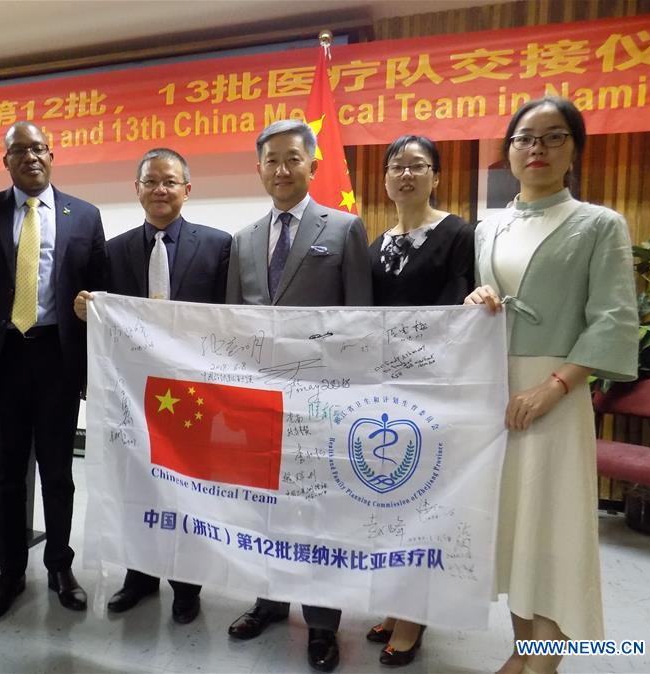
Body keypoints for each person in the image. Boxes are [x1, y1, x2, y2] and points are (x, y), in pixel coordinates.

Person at [464, 97, 638, 674]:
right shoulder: (490, 228)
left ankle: (549, 659)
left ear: (574, 149)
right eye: (524, 138)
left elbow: (613, 318)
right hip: (496, 392)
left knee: (554, 526)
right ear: (508, 151)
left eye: (553, 137)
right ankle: (524, 648)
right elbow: (485, 307)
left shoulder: (598, 223)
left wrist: (554, 387)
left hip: (554, 395)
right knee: (513, 528)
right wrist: (477, 299)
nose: (536, 148)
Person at [225, 119, 372, 673]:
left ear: (312, 165)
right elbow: (233, 326)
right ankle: (267, 599)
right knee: (266, 507)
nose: (281, 170)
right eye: (271, 160)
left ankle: (322, 623)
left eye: (292, 159)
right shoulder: (242, 239)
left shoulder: (344, 228)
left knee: (318, 511)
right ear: (259, 168)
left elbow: (360, 318)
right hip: (259, 403)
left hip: (321, 401)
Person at [0, 121, 106, 622]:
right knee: (6, 477)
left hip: (57, 359)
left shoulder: (84, 215)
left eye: (39, 149)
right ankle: (11, 572)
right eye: (20, 151)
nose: (31, 157)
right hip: (2, 362)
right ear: (6, 161)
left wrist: (91, 366)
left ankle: (60, 566)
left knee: (58, 473)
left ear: (52, 155)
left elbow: (100, 298)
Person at [74, 147, 231, 625]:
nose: (159, 190)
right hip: (135, 395)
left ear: (187, 189)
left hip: (194, 395)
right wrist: (87, 308)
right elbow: (104, 321)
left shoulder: (219, 245)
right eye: (150, 182)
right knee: (136, 485)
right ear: (136, 189)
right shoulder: (115, 249)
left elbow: (229, 321)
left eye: (169, 181)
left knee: (187, 490)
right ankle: (139, 578)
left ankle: (187, 586)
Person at [365, 135, 474, 665]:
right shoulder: (375, 242)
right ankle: (393, 601)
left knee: (424, 504)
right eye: (396, 167)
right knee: (388, 504)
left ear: (436, 176)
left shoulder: (457, 233)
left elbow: (455, 310)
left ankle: (414, 616)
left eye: (418, 166)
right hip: (383, 393)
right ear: (384, 179)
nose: (406, 175)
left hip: (432, 390)